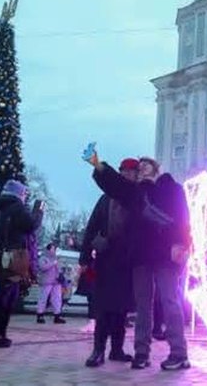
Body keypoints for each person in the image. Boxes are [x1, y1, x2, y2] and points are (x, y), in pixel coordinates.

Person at [87, 150, 192, 371]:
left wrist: (181, 244)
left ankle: (179, 353)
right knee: (143, 306)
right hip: (141, 255)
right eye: (140, 166)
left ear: (155, 168)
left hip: (165, 254)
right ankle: (141, 353)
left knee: (170, 301)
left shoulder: (172, 188)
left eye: (146, 165)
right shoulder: (135, 192)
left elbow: (183, 218)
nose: (142, 167)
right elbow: (115, 185)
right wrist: (98, 165)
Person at [80, 157, 138, 367]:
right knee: (103, 307)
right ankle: (98, 350)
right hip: (106, 259)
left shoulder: (136, 197)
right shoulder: (105, 199)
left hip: (126, 260)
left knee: (120, 309)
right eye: (123, 171)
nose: (127, 175)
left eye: (131, 172)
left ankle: (117, 349)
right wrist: (85, 257)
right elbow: (92, 227)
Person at [0, 180, 43, 348]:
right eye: (24, 194)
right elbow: (31, 225)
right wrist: (39, 211)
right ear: (19, 194)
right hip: (14, 254)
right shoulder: (17, 207)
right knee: (7, 296)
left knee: (2, 294)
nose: (25, 197)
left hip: (0, 253)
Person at [36, 243, 65, 325]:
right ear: (48, 249)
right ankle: (40, 315)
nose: (54, 250)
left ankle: (57, 315)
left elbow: (60, 268)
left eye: (54, 249)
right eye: (53, 249)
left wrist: (60, 272)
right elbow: (43, 267)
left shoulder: (56, 258)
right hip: (46, 281)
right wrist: (53, 263)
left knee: (57, 299)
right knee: (43, 298)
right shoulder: (43, 258)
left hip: (56, 282)